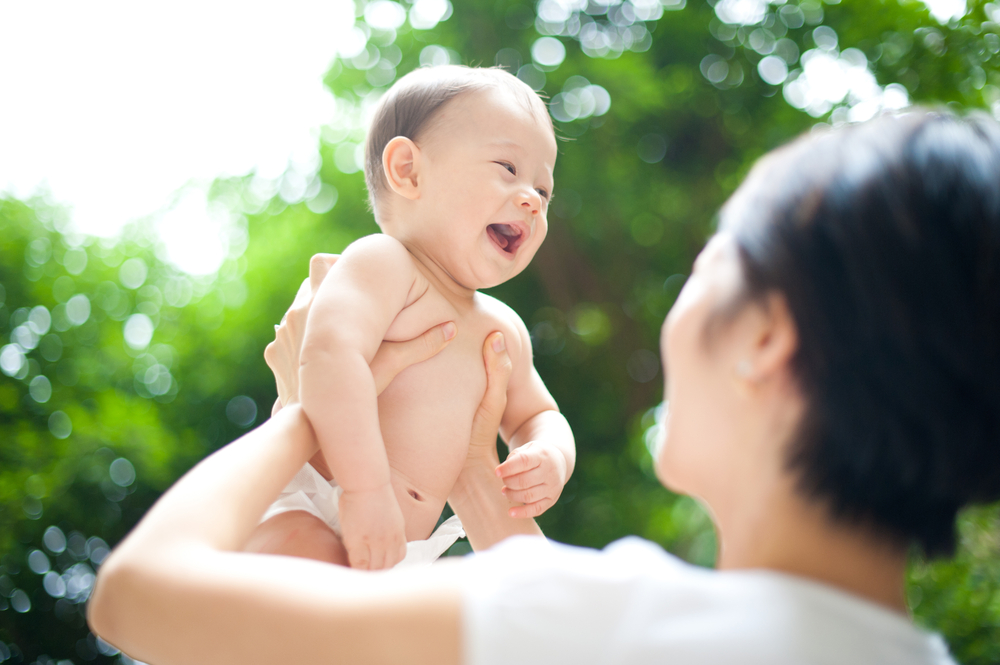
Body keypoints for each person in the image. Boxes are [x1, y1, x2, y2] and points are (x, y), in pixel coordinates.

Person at [87, 109, 999, 664]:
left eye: (711, 261)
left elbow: (138, 596)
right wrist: (472, 462)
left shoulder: (617, 624)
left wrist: (299, 417)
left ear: (766, 336)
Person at [255, 64, 576, 570]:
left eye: (544, 190)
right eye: (508, 169)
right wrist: (365, 490)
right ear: (408, 170)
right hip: (320, 502)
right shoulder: (382, 263)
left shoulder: (502, 328)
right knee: (306, 595)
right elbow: (329, 356)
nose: (532, 201)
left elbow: (540, 415)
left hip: (409, 552)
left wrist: (550, 455)